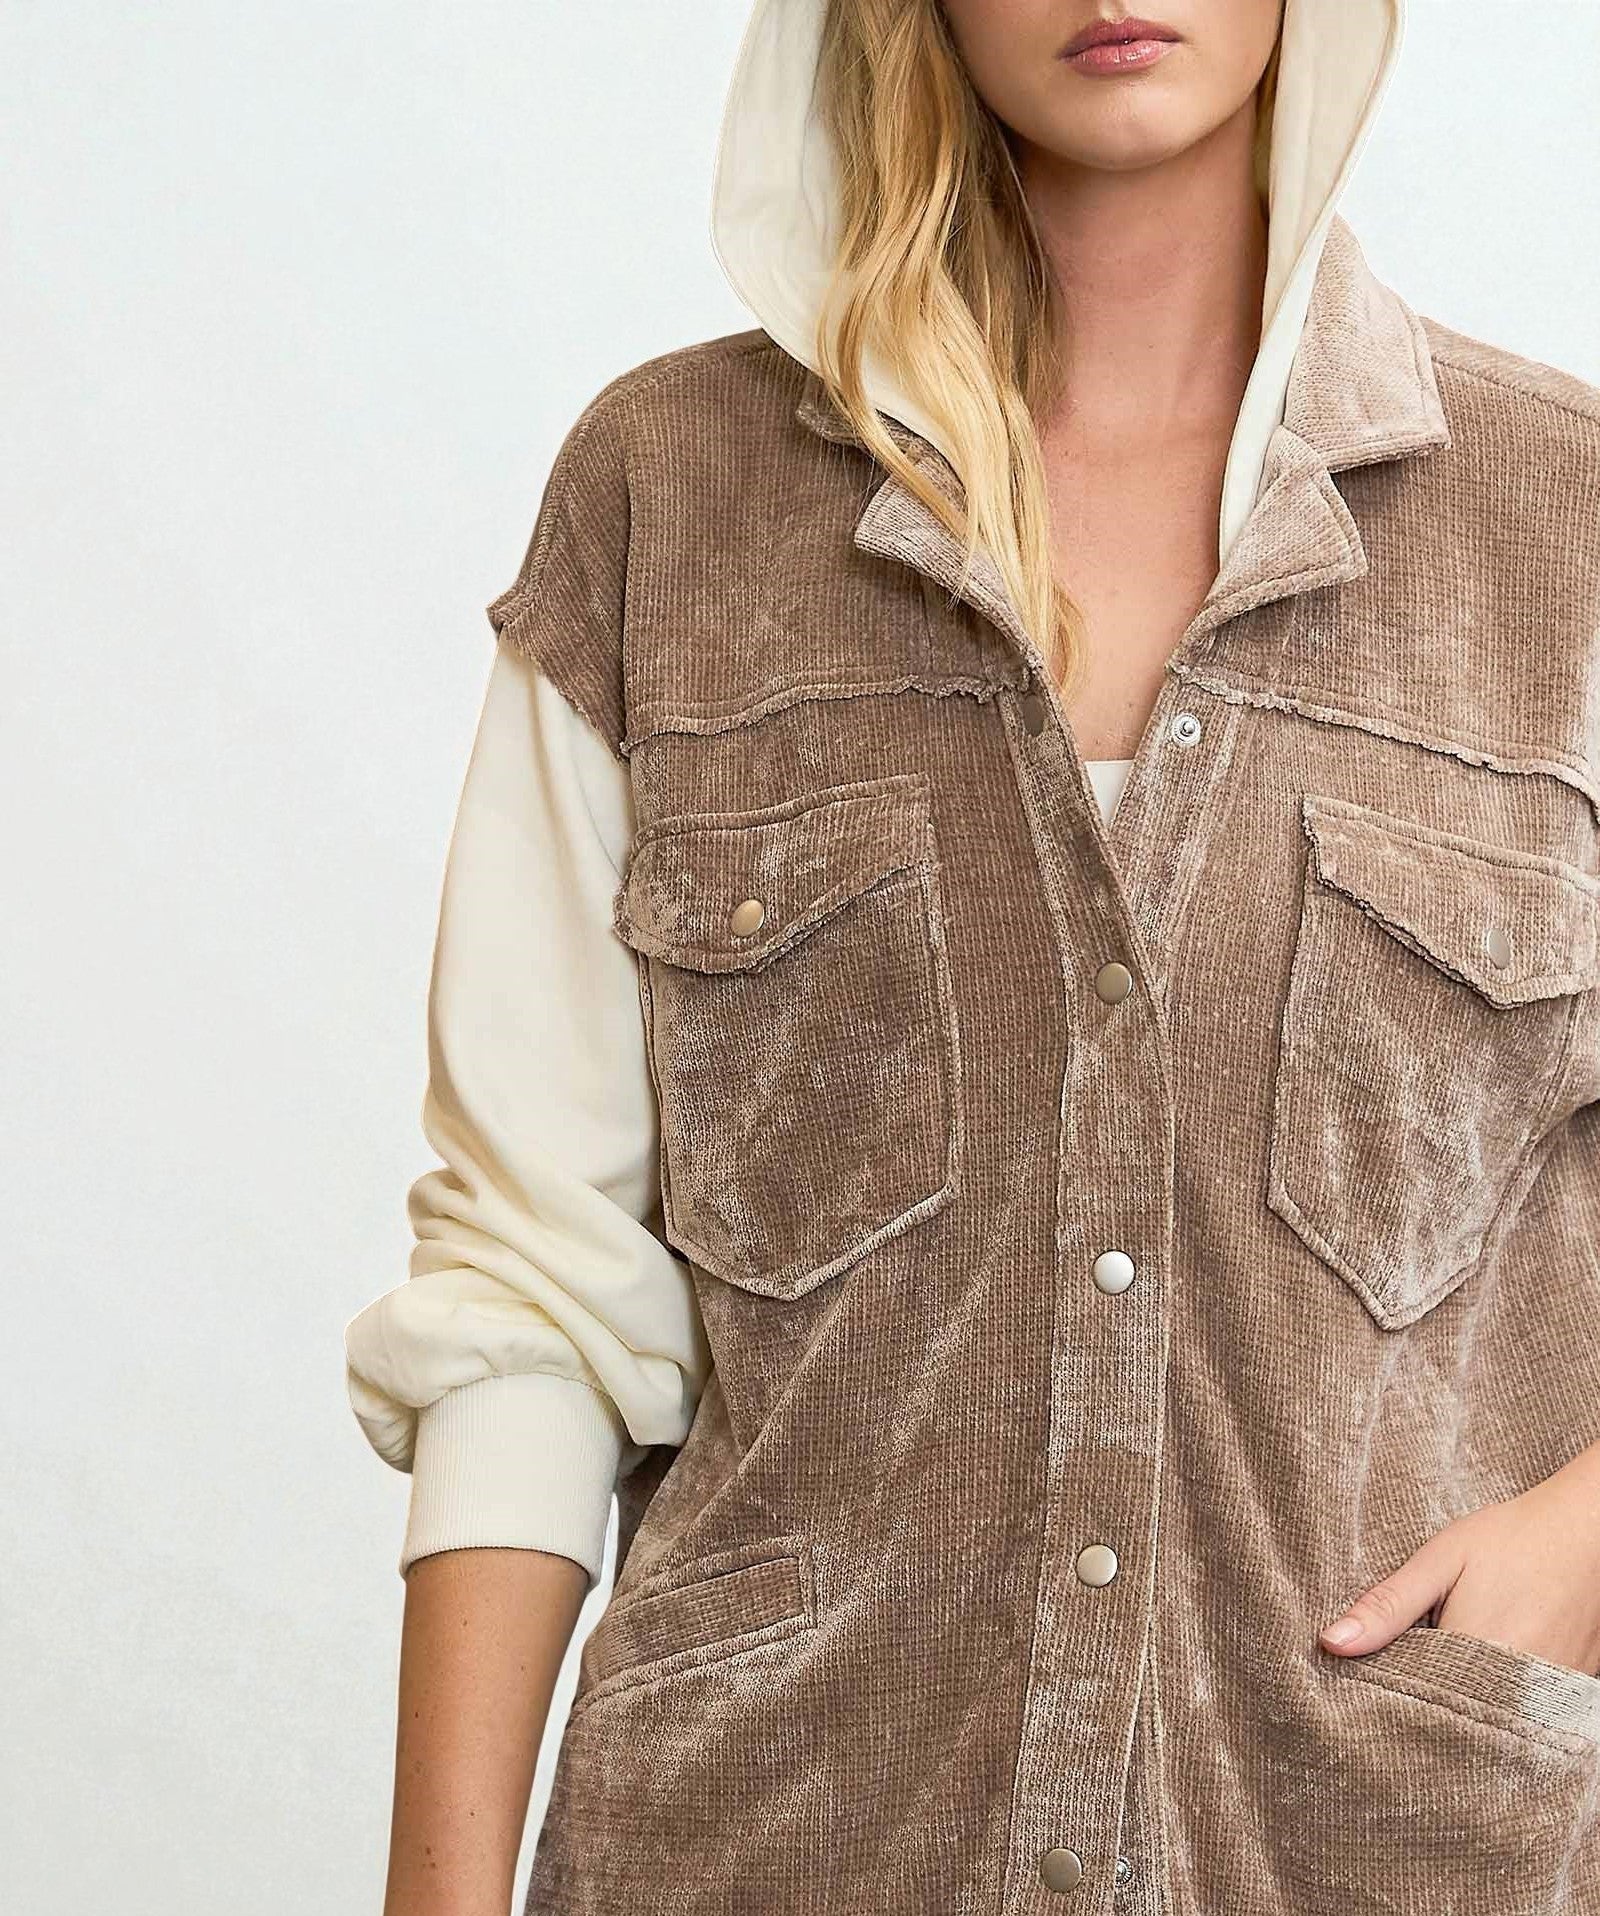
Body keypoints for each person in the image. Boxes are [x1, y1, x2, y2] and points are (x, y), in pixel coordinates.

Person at [345, 1, 1600, 1910]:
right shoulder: (666, 500)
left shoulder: (1559, 525)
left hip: (1387, 1844)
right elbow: (532, 1285)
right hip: (774, 1839)